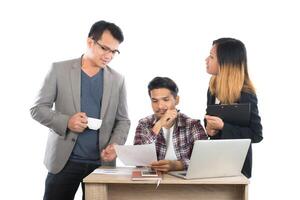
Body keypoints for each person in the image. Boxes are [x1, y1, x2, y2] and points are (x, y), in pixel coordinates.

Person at [30, 20, 130, 200]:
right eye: (105, 48)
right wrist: (67, 121)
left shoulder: (118, 80)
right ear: (90, 42)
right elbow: (37, 109)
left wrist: (115, 145)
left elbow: (123, 120)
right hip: (64, 162)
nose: (109, 55)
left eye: (114, 51)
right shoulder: (59, 69)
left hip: (101, 164)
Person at [205, 37, 263, 178]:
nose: (206, 59)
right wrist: (210, 129)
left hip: (237, 167)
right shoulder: (213, 89)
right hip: (215, 161)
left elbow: (256, 135)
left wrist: (223, 126)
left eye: (211, 57)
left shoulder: (246, 94)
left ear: (226, 63)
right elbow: (210, 119)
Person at [134, 77, 207, 172]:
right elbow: (138, 160)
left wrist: (179, 165)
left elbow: (204, 160)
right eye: (155, 101)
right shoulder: (144, 124)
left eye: (165, 100)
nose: (160, 106)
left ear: (176, 100)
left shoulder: (192, 125)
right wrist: (158, 125)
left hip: (184, 184)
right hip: (153, 183)